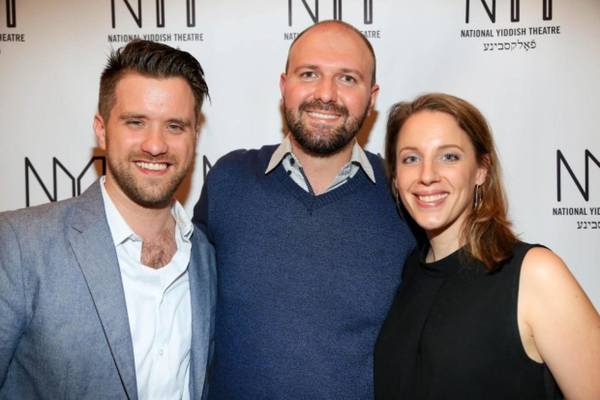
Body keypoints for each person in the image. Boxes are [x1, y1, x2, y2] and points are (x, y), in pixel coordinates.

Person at [193, 20, 414, 399]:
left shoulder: (405, 195)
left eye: (347, 79)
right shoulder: (229, 181)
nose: (325, 94)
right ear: (284, 87)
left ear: (372, 96)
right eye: (309, 74)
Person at [0, 40, 215, 399]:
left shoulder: (205, 257)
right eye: (136, 122)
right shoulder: (21, 246)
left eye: (175, 126)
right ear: (101, 130)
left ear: (194, 135)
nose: (155, 145)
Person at [374, 93, 600, 399]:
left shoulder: (533, 274)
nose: (427, 175)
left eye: (449, 156)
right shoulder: (409, 272)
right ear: (396, 176)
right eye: (411, 158)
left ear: (481, 169)